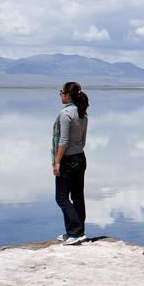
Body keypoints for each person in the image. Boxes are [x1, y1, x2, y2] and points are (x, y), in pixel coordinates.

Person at [53, 81, 89, 245]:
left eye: (61, 92)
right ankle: (77, 232)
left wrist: (57, 162)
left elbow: (63, 140)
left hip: (68, 159)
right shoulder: (83, 114)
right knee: (77, 196)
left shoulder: (66, 114)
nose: (60, 95)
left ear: (68, 95)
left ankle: (75, 232)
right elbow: (83, 140)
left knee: (61, 198)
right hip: (80, 157)